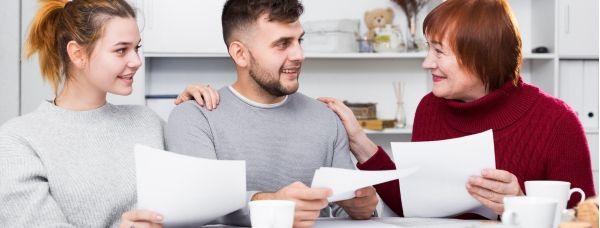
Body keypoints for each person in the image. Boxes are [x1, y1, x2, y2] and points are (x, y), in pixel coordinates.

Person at [319, 0, 596, 219]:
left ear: (482, 56)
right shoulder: (430, 107)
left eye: (439, 52)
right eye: (429, 49)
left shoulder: (558, 121)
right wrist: (359, 141)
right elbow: (412, 205)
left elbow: (583, 219)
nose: (427, 63)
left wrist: (520, 205)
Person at [0, 0, 218, 227]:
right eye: (121, 50)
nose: (136, 61)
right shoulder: (19, 141)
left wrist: (191, 114)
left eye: (137, 48)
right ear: (77, 54)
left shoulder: (147, 122)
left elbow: (199, 191)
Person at [165, 0, 379, 227]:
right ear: (240, 54)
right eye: (282, 44)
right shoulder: (196, 118)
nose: (299, 54)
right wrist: (271, 205)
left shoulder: (326, 118)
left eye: (299, 40)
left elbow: (341, 208)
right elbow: (199, 204)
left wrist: (363, 206)